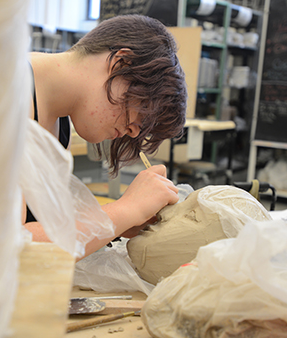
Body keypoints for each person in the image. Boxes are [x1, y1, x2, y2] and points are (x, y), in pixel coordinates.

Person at [22, 14, 188, 259]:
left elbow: (39, 227)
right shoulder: (4, 93)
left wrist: (117, 224)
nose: (135, 131)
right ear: (120, 63)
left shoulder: (59, 122)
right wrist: (124, 210)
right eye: (141, 112)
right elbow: (4, 245)